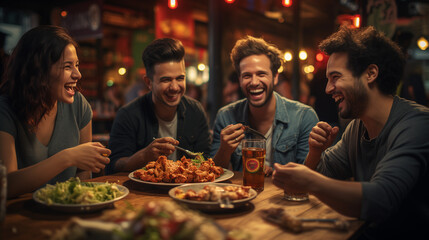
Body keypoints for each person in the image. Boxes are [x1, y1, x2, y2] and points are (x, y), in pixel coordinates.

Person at [272, 25, 429, 239]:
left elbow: (380, 200)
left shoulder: (417, 124)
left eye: (335, 77)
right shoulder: (357, 127)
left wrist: (308, 180)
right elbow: (316, 181)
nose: (328, 89)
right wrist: (315, 152)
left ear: (370, 74)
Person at [0, 25, 111, 199]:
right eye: (68, 67)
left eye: (77, 65)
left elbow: (83, 174)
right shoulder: (5, 110)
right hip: (18, 217)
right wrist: (67, 157)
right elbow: (7, 185)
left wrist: (76, 203)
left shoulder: (78, 105)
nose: (78, 74)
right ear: (38, 71)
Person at [210, 36, 319, 175]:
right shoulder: (226, 116)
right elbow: (213, 174)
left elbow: (310, 174)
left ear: (275, 77)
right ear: (240, 79)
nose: (254, 82)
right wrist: (224, 150)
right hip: (243, 195)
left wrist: (274, 173)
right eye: (247, 76)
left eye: (261, 74)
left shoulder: (303, 116)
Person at [106, 38, 211, 174]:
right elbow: (113, 167)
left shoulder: (195, 111)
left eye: (180, 78)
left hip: (187, 191)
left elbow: (206, 160)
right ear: (149, 83)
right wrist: (144, 156)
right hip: (142, 193)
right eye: (166, 80)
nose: (174, 87)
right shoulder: (128, 115)